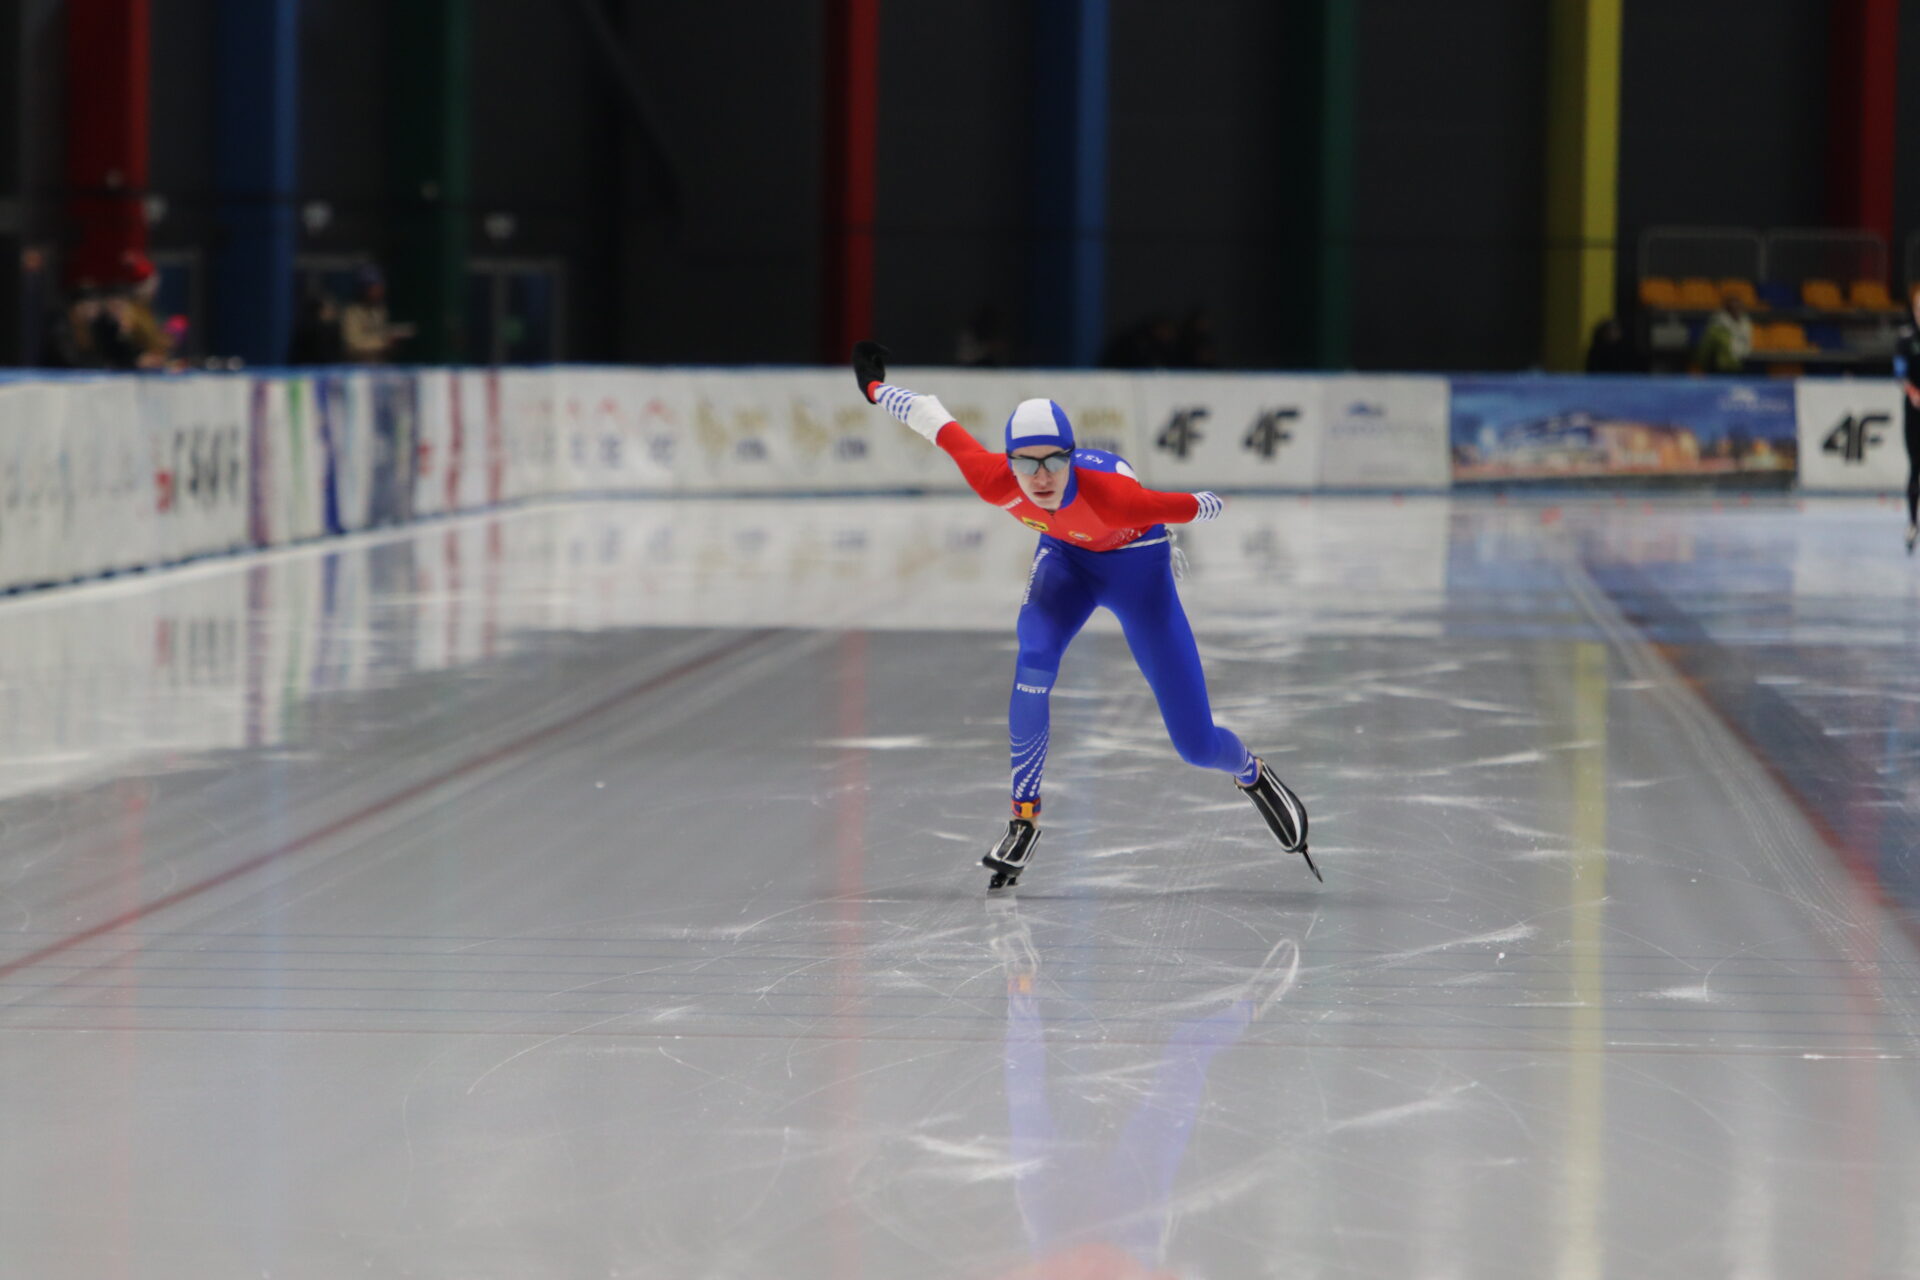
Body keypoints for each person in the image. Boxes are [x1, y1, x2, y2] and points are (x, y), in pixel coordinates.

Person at [852, 340, 1316, 890]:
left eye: (1054, 460)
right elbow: (933, 418)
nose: (1041, 477)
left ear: (1071, 456)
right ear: (1009, 462)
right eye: (1026, 463)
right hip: (1066, 562)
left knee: (1195, 746)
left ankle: (1250, 772)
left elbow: (1191, 505)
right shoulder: (993, 479)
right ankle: (1023, 820)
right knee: (1034, 655)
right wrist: (875, 387)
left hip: (1139, 572)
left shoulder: (1114, 498)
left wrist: (1214, 503)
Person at [1897, 286, 1920, 551]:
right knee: (1915, 466)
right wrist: (1913, 393)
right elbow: (1900, 373)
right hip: (1914, 412)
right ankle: (1913, 521)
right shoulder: (1906, 339)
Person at [1694, 294, 1753, 374]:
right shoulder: (1717, 325)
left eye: (1738, 308)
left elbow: (1747, 342)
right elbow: (1706, 348)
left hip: (1738, 363)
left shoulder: (1745, 323)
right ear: (1727, 309)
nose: (1736, 311)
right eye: (1732, 308)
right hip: (1718, 366)